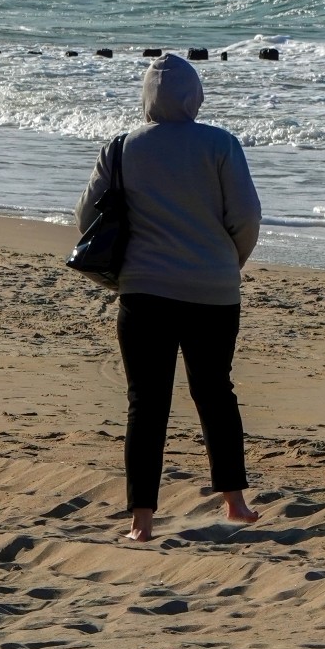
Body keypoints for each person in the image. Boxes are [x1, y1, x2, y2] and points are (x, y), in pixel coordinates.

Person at [76, 54, 264, 541]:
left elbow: (86, 220)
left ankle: (142, 522)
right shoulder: (221, 144)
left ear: (147, 99)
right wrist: (227, 263)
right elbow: (246, 217)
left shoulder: (120, 148)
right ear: (193, 97)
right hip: (214, 293)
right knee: (215, 393)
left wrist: (127, 274)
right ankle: (235, 503)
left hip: (144, 294)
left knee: (146, 403)